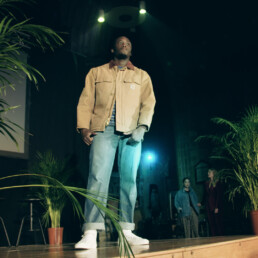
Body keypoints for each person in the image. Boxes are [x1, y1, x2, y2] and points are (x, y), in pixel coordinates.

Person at [75, 36, 156, 249]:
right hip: (103, 129)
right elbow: (85, 101)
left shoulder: (142, 76)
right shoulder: (96, 72)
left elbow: (149, 103)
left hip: (131, 132)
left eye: (128, 43)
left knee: (129, 180)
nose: (125, 44)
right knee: (97, 177)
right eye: (120, 42)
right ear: (112, 49)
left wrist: (142, 127)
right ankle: (91, 231)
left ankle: (127, 231)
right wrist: (84, 126)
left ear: (131, 51)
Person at [204, 168, 224, 236]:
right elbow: (205, 195)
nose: (208, 173)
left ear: (213, 174)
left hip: (215, 206)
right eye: (208, 172)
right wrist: (201, 203)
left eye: (209, 172)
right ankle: (214, 237)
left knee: (218, 223)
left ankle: (220, 237)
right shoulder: (207, 183)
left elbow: (219, 196)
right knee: (211, 223)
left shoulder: (218, 183)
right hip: (209, 206)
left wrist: (217, 207)